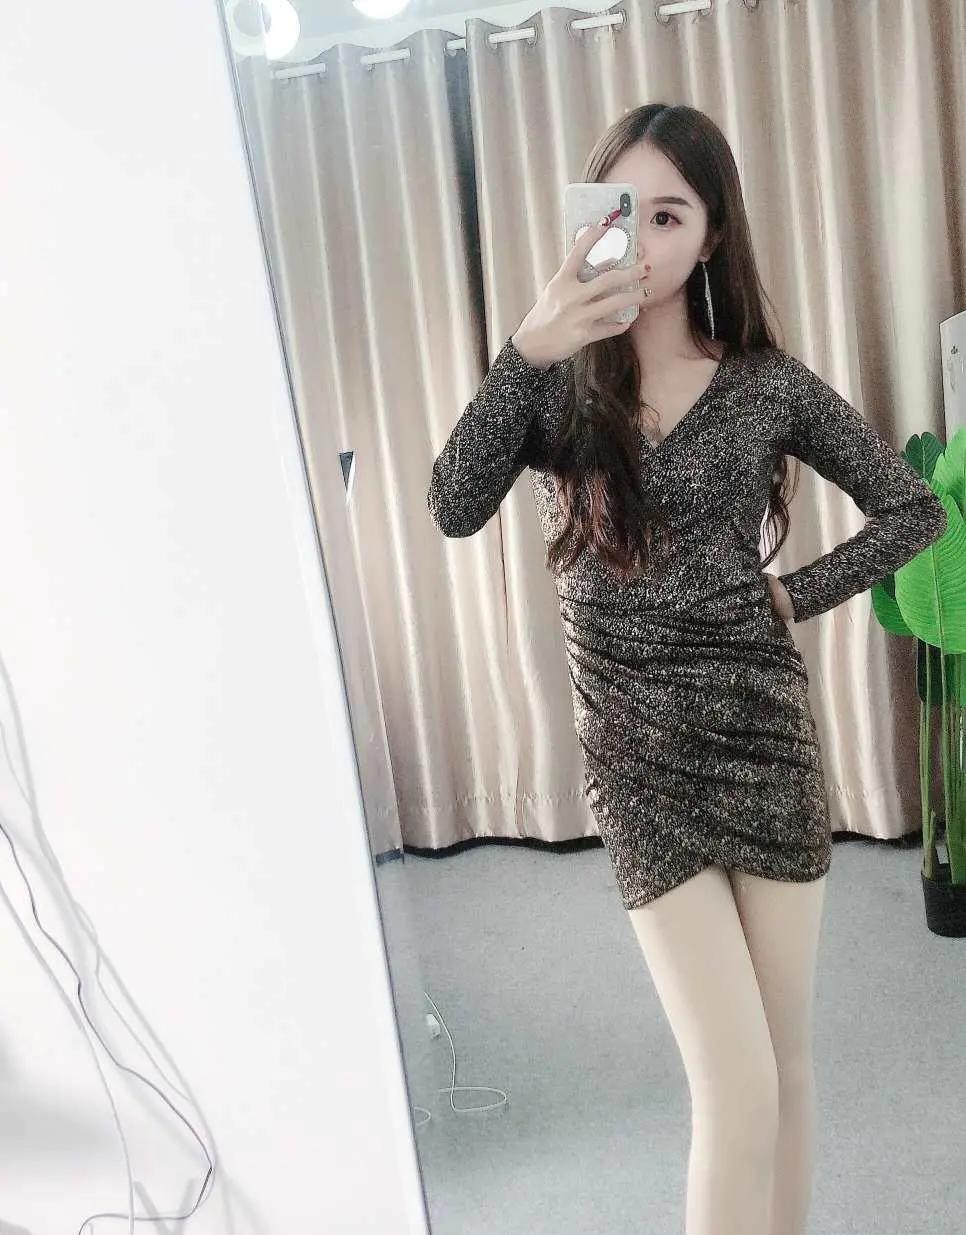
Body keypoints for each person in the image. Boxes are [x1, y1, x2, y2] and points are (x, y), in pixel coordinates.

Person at [427, 103, 946, 1235]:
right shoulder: (552, 386)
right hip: (638, 765)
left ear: (711, 237)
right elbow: (453, 504)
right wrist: (525, 349)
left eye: (670, 216)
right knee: (735, 1082)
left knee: (787, 1066)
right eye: (622, 210)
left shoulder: (765, 383)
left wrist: (793, 594)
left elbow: (914, 510)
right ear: (587, 219)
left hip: (764, 743)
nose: (644, 241)